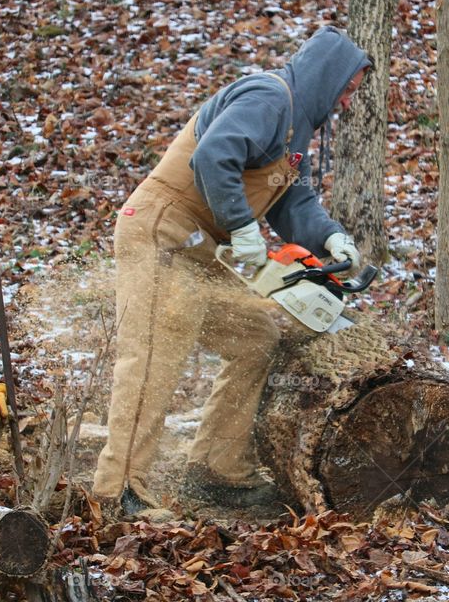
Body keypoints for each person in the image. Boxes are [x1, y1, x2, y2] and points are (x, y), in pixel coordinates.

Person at [92, 26, 372, 518]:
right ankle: (119, 490)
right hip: (165, 230)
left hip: (203, 247)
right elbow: (214, 155)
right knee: (154, 351)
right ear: (329, 77)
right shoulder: (269, 97)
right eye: (347, 89)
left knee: (255, 337)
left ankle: (215, 468)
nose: (347, 102)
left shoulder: (296, 129)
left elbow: (292, 199)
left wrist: (329, 236)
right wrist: (243, 227)